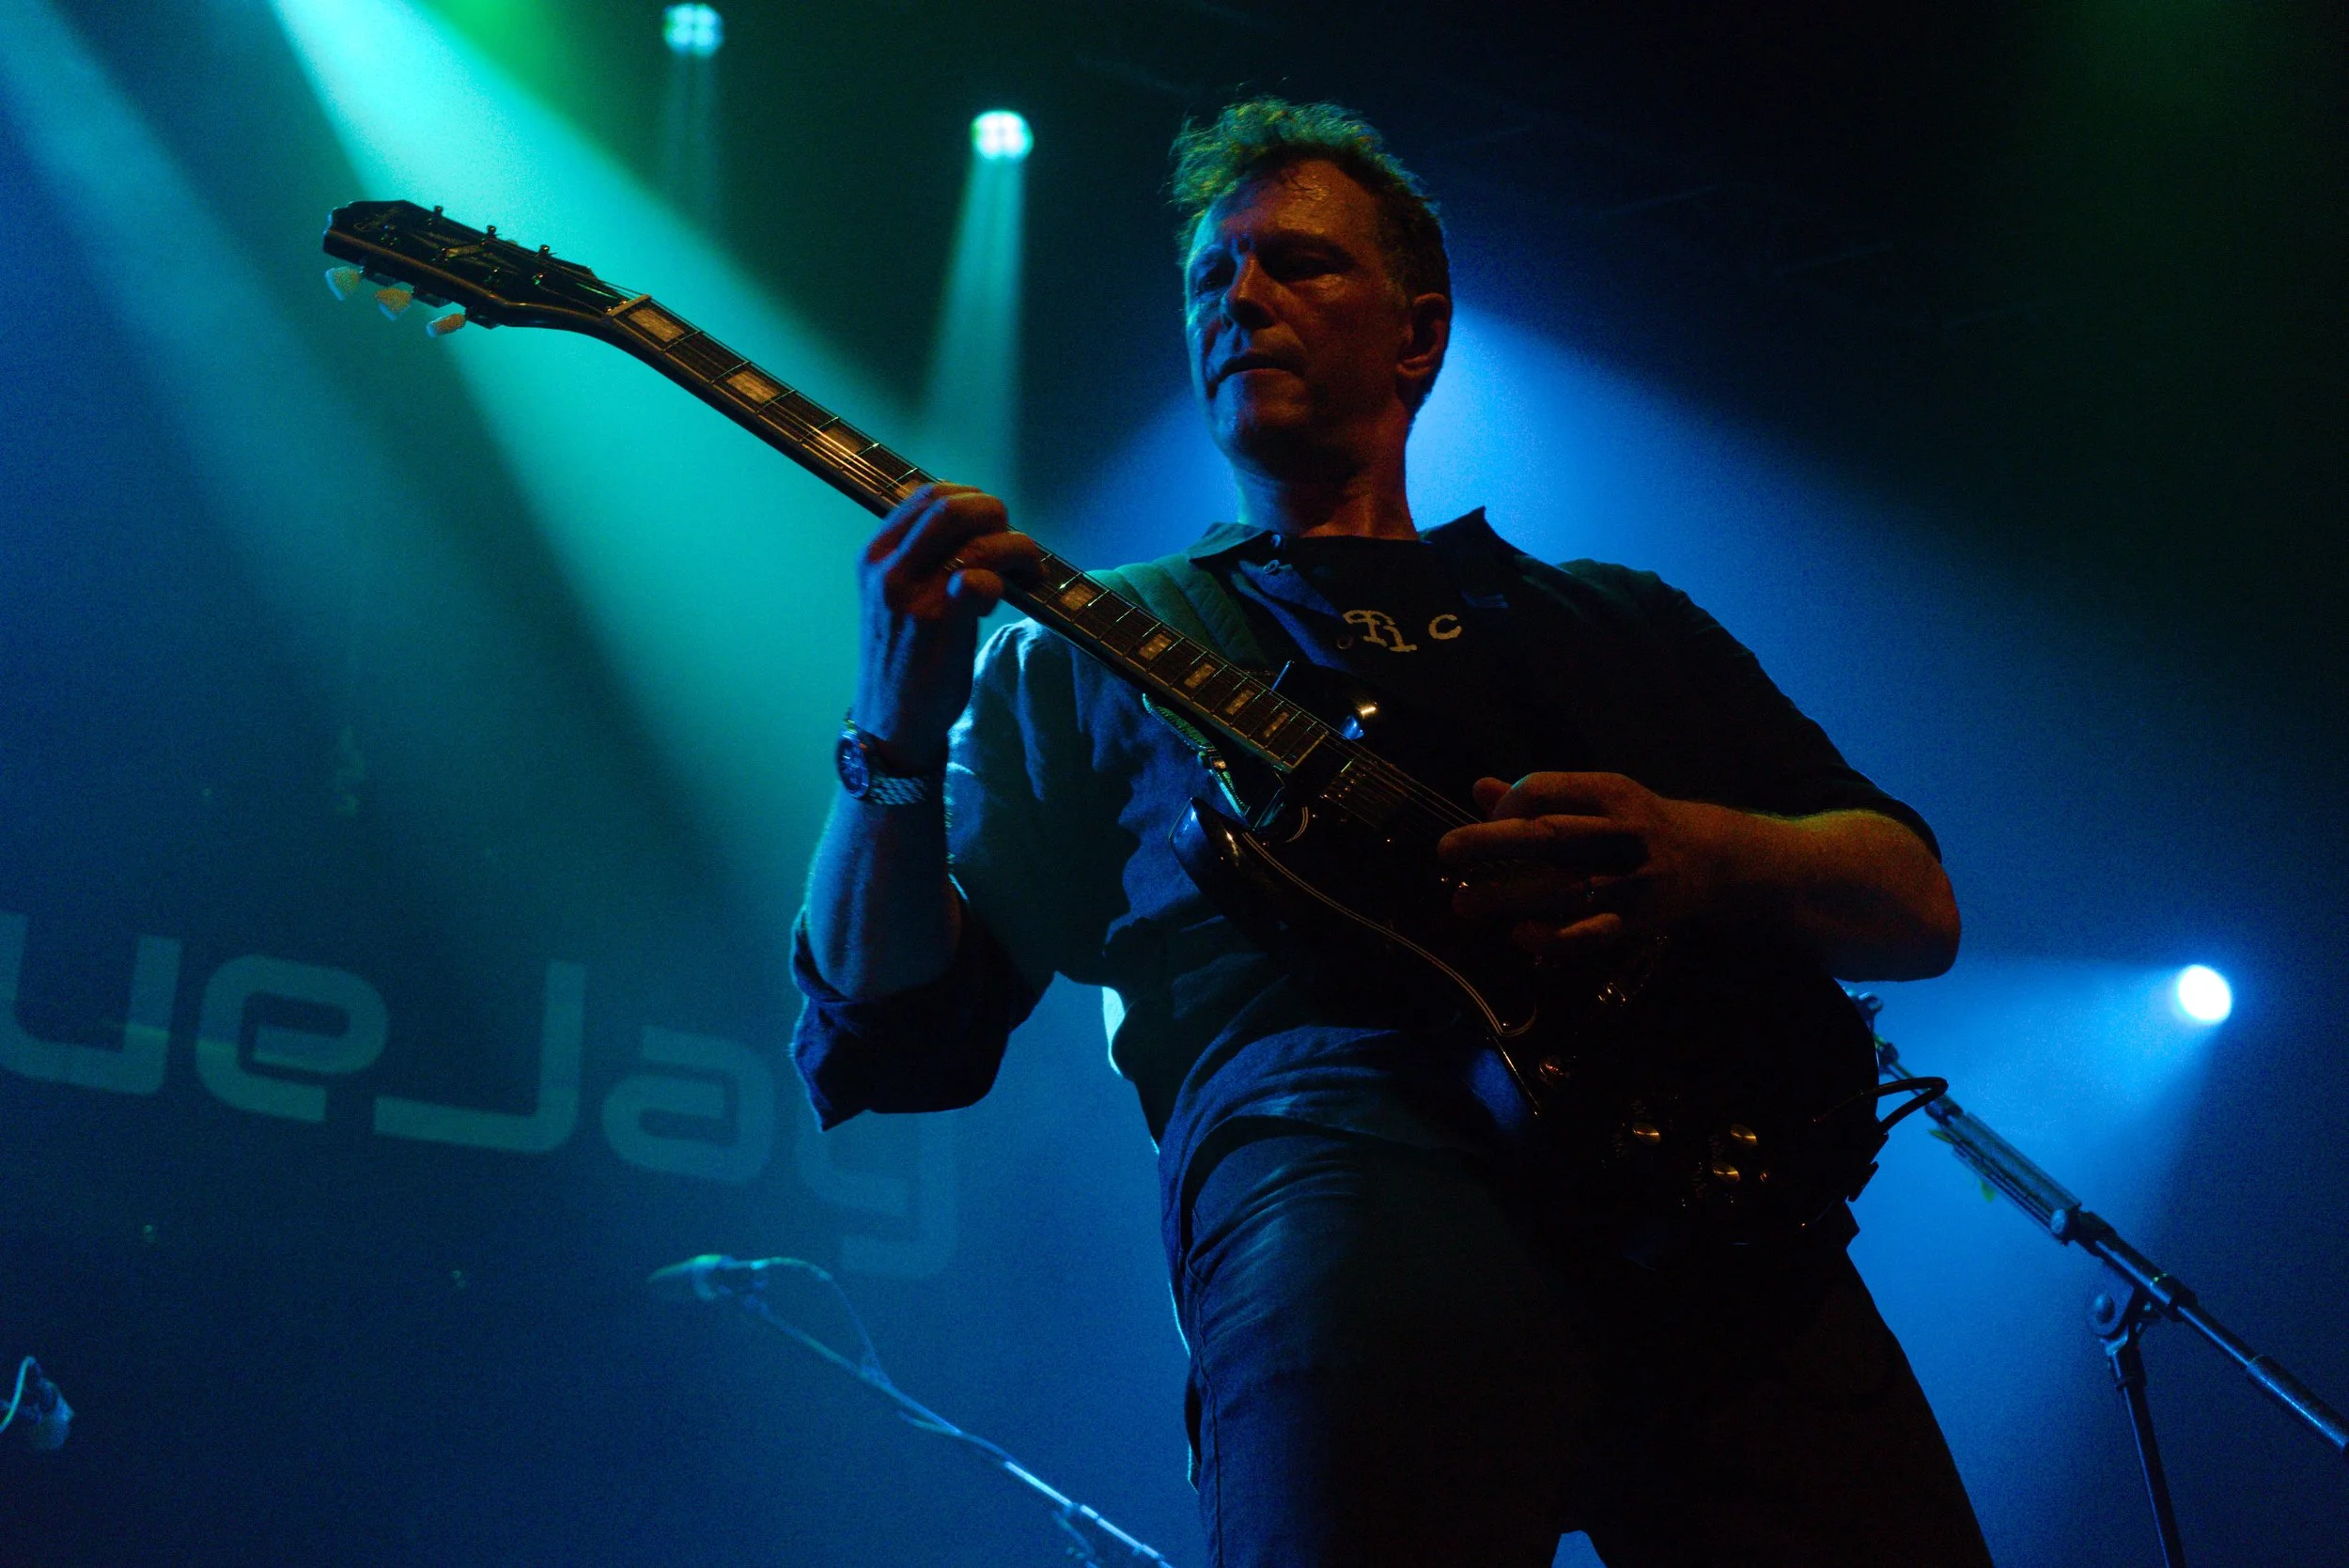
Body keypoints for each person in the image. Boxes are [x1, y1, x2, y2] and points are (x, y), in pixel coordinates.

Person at [794, 98, 1994, 1567]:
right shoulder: (1096, 642)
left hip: (1728, 1233)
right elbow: (895, 1028)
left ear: (1418, 336)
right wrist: (891, 734)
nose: (1241, 296)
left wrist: (1694, 849)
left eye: (1297, 264)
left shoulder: (1615, 620)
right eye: (1210, 278)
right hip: (1341, 1181)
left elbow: (1913, 902)